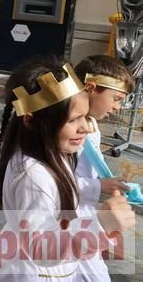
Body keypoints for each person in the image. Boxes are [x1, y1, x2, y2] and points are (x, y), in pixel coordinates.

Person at [0, 58, 136, 281]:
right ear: (31, 121)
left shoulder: (55, 155)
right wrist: (99, 226)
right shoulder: (34, 177)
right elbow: (39, 249)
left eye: (85, 117)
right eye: (74, 119)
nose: (86, 127)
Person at [73, 55, 135, 281]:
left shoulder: (93, 126)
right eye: (116, 99)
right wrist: (97, 186)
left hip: (85, 213)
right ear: (90, 88)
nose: (118, 107)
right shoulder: (66, 133)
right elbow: (52, 180)